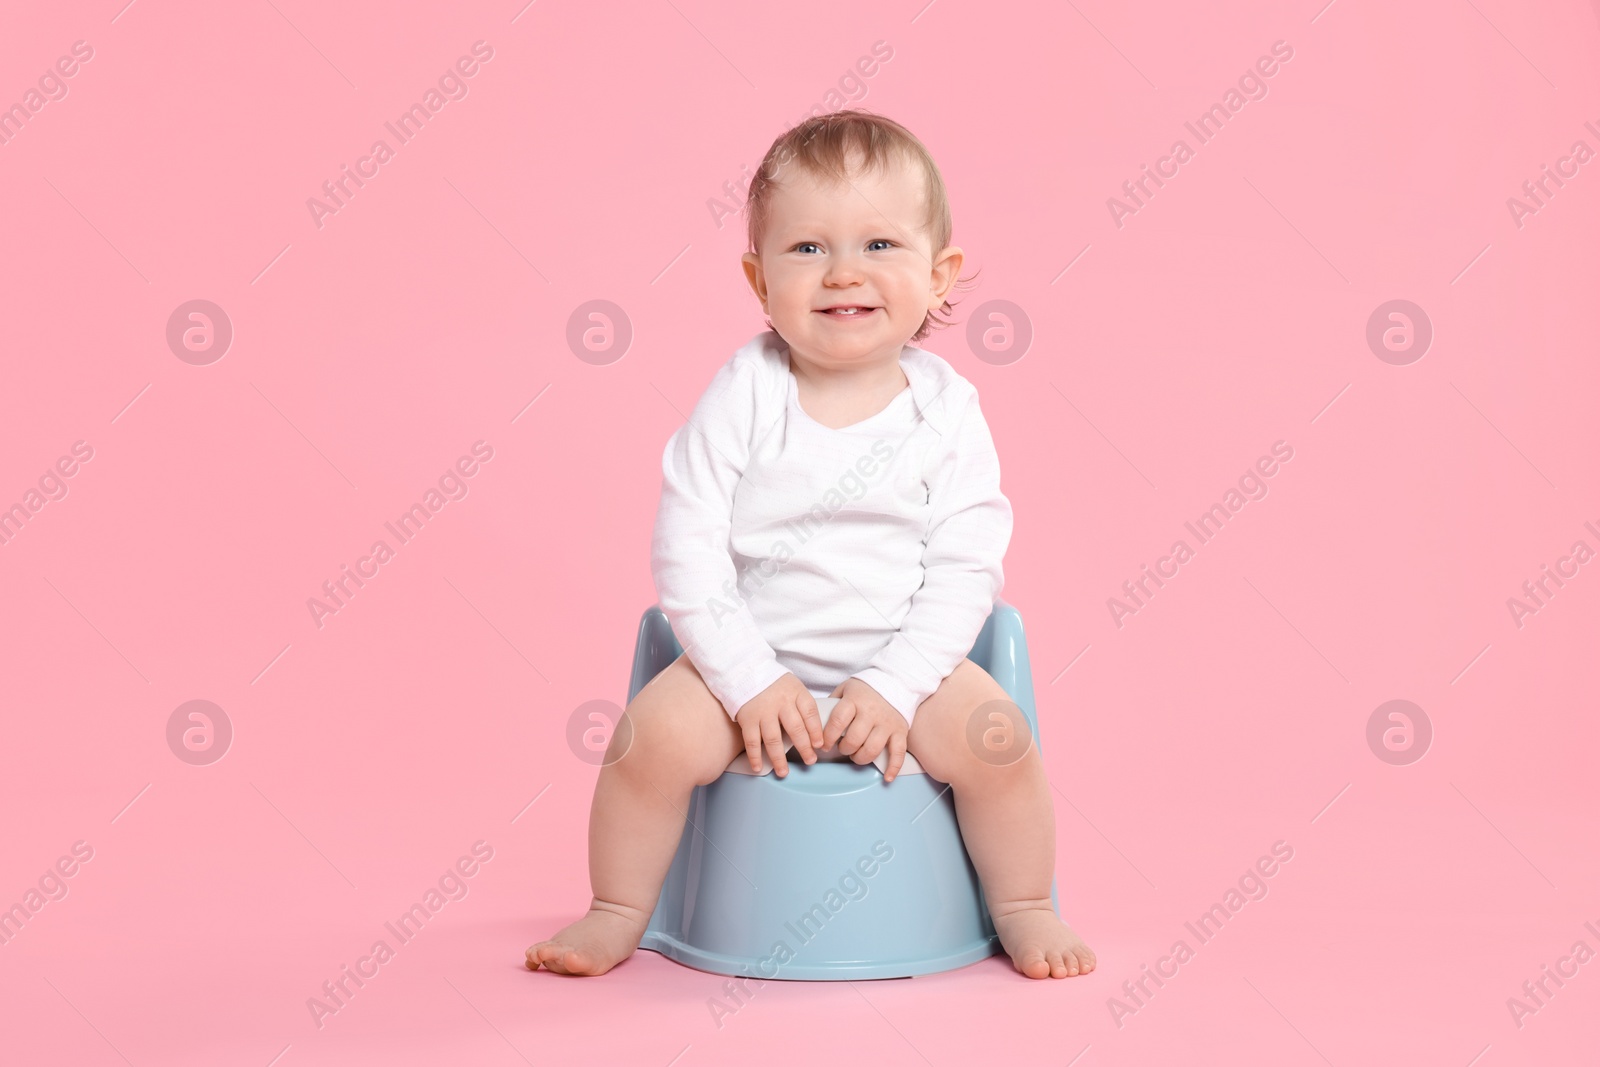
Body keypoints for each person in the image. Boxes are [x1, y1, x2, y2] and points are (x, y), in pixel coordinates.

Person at [527, 110, 1096, 980]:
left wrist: (900, 682)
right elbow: (689, 547)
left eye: (878, 245)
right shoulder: (745, 391)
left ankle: (1021, 903)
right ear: (758, 280)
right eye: (805, 250)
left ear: (940, 275)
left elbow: (966, 566)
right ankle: (618, 907)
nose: (842, 274)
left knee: (998, 742)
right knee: (646, 743)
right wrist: (747, 676)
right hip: (750, 662)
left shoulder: (946, 410)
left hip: (910, 667)